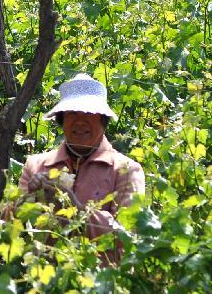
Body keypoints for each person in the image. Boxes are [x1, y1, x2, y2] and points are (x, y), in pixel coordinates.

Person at [14, 73, 145, 254]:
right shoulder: (35, 165)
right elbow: (10, 227)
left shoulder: (127, 171)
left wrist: (75, 208)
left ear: (103, 119)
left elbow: (128, 236)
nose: (80, 121)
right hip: (42, 277)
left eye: (89, 113)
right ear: (61, 119)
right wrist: (29, 197)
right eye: (72, 113)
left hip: (103, 279)